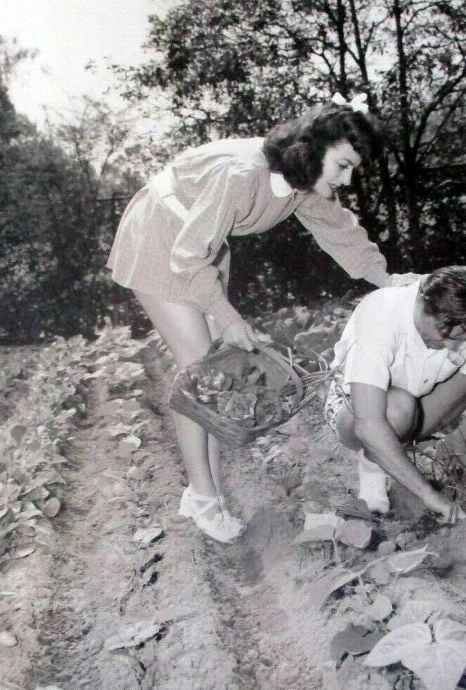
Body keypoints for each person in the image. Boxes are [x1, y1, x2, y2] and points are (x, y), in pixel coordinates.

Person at [108, 93, 417, 543]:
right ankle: (203, 498)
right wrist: (226, 314)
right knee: (201, 371)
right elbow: (188, 254)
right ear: (314, 150)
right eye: (344, 166)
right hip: (165, 236)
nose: (347, 180)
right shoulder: (243, 176)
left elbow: (340, 231)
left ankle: (201, 493)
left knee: (213, 374)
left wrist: (386, 279)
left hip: (200, 242)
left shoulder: (303, 184)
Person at [325, 266, 466, 523]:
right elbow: (368, 423)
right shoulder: (382, 312)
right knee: (396, 409)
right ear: (422, 304)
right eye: (445, 335)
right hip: (357, 413)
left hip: (421, 403)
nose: (454, 347)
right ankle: (372, 467)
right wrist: (430, 496)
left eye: (462, 338)